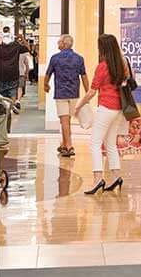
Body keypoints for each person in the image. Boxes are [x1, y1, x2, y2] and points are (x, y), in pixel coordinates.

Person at [74, 34, 128, 195]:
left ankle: (98, 179)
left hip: (106, 108)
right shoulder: (121, 65)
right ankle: (117, 177)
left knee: (95, 143)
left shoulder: (103, 66)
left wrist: (79, 105)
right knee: (110, 144)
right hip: (119, 109)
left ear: (103, 48)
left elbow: (91, 92)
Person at [44, 35, 89, 157]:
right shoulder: (79, 58)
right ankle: (64, 145)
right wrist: (88, 92)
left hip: (61, 93)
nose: (58, 44)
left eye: (59, 42)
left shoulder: (55, 58)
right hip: (74, 93)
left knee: (64, 121)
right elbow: (84, 76)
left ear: (63, 44)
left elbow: (48, 73)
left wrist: (45, 85)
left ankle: (69, 146)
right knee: (66, 120)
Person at [0, 27, 29, 111]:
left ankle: (4, 107)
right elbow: (27, 48)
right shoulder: (16, 46)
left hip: (1, 75)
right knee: (12, 93)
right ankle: (11, 107)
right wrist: (22, 38)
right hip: (13, 74)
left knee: (2, 94)